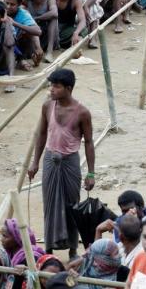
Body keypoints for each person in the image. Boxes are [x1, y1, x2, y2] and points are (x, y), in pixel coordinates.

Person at [26, 68, 94, 256]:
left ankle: (73, 248)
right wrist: (35, 162)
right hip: (50, 160)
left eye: (56, 86)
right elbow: (41, 134)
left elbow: (88, 142)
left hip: (70, 162)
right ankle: (48, 249)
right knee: (49, 205)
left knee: (72, 205)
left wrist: (91, 173)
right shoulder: (47, 106)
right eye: (51, 86)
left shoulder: (82, 113)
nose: (52, 90)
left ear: (68, 88)